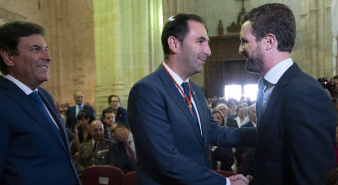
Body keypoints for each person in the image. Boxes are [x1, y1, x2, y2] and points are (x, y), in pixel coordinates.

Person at [128, 13, 256, 185]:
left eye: (208, 43)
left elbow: (213, 132)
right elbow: (166, 160)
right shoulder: (147, 91)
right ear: (174, 44)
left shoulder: (194, 90)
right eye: (200, 41)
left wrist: (262, 134)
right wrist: (225, 183)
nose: (208, 51)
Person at [239, 3, 336, 185]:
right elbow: (274, 157)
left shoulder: (305, 93)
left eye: (244, 41)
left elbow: (311, 177)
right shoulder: (265, 87)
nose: (240, 49)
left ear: (269, 42)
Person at [0, 21, 80, 185]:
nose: (48, 57)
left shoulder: (44, 96)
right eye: (36, 49)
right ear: (8, 57)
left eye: (46, 49)